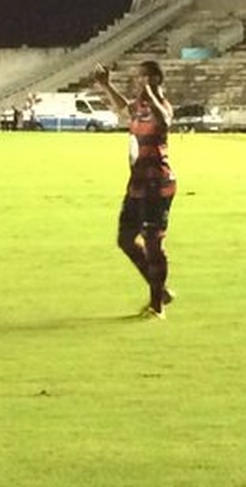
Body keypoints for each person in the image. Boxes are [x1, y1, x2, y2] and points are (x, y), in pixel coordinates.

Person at [94, 60, 176, 319]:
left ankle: (157, 306)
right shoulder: (140, 107)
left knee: (153, 244)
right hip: (137, 184)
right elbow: (123, 108)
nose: (136, 82)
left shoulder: (161, 107)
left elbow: (164, 122)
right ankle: (159, 290)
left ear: (152, 80)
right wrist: (107, 86)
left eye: (141, 78)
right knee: (125, 239)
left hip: (157, 184)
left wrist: (151, 94)